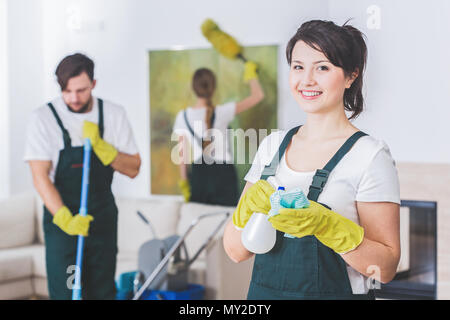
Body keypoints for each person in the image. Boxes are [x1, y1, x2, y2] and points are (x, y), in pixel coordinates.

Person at [223, 20, 401, 299]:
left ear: (351, 75)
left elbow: (385, 269)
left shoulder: (369, 155)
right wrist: (246, 209)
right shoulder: (272, 147)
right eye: (298, 66)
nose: (306, 80)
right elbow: (236, 251)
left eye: (322, 67)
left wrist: (327, 225)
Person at [24, 53, 141, 300]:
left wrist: (104, 148)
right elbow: (39, 176)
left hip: (102, 218)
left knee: (102, 292)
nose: (74, 98)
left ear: (94, 84)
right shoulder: (43, 118)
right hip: (63, 219)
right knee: (68, 293)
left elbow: (133, 168)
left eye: (81, 90)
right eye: (67, 91)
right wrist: (65, 218)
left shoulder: (113, 114)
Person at [173, 61, 264, 206]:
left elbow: (182, 156)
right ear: (213, 88)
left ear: (193, 88)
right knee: (226, 223)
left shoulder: (182, 116)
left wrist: (184, 183)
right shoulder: (223, 112)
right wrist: (251, 75)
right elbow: (257, 96)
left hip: (198, 177)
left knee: (201, 225)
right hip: (224, 175)